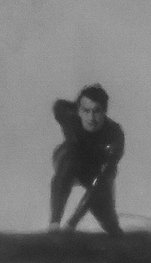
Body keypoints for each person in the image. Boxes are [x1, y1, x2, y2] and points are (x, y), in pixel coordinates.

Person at [49, 84, 125, 235]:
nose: (91, 118)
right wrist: (56, 224)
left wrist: (72, 223)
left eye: (97, 111)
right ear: (78, 110)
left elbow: (100, 184)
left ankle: (113, 231)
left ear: (105, 112)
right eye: (86, 111)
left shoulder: (115, 136)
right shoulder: (66, 113)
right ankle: (54, 224)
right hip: (68, 158)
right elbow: (58, 105)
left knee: (112, 227)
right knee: (69, 160)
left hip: (94, 170)